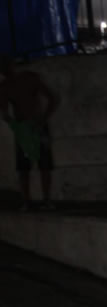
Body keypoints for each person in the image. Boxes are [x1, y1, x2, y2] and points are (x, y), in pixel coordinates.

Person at [0, 55, 58, 210]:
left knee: (42, 165)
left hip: (35, 126)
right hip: (27, 128)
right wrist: (17, 126)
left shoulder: (28, 79)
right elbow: (4, 112)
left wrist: (41, 120)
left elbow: (53, 98)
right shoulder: (7, 86)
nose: (4, 70)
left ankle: (42, 201)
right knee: (26, 167)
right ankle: (30, 201)